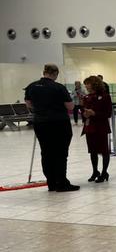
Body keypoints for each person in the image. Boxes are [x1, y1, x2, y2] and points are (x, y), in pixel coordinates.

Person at [24, 64, 79, 192]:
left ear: (44, 72)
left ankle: (51, 182)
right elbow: (70, 106)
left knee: (46, 152)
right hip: (59, 123)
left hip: (41, 123)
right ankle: (62, 183)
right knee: (60, 153)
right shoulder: (59, 87)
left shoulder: (32, 86)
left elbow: (29, 104)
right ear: (55, 73)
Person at [82, 76, 113, 183]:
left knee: (104, 150)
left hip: (101, 127)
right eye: (85, 84)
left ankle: (104, 172)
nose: (86, 86)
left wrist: (94, 113)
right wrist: (85, 114)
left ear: (94, 84)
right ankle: (95, 171)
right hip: (89, 127)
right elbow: (84, 111)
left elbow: (108, 113)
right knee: (92, 151)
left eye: (88, 83)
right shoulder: (86, 97)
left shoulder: (105, 97)